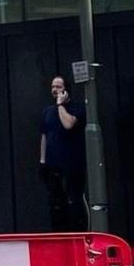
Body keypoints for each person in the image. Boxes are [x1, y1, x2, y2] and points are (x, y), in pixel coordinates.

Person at [39, 74, 84, 230]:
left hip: (71, 164)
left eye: (58, 87)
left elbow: (68, 124)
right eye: (53, 87)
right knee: (55, 202)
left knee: (73, 199)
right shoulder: (47, 112)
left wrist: (60, 105)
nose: (55, 90)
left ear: (66, 90)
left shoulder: (77, 108)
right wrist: (42, 160)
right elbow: (44, 135)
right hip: (52, 164)